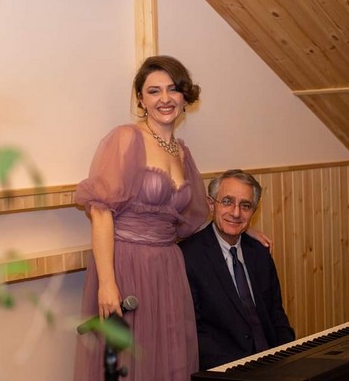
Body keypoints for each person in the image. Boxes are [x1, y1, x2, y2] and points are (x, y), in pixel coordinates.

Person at [73, 56, 270, 381]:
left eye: (172, 89)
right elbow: (101, 211)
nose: (164, 98)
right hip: (127, 264)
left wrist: (241, 231)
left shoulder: (182, 152)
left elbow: (195, 219)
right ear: (141, 99)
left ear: (183, 96)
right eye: (154, 91)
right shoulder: (126, 138)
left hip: (168, 268)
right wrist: (107, 283)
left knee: (165, 358)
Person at [179, 169, 295, 370]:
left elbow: (277, 316)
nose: (236, 213)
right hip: (225, 369)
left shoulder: (260, 252)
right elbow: (194, 332)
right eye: (227, 202)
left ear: (253, 211)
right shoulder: (189, 257)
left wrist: (290, 356)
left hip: (272, 364)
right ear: (211, 204)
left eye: (245, 205)